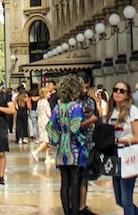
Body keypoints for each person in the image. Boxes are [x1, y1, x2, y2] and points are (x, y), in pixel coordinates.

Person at [47, 74, 88, 215]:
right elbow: (76, 127)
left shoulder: (58, 108)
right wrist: (83, 139)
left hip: (62, 150)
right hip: (75, 149)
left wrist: (57, 139)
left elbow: (50, 126)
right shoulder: (76, 107)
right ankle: (75, 212)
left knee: (64, 183)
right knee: (75, 182)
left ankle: (66, 212)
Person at [108, 81, 138, 215]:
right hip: (114, 155)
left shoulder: (132, 111)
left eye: (122, 91)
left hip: (128, 153)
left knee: (126, 198)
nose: (117, 93)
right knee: (119, 199)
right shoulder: (112, 111)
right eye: (115, 89)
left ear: (128, 95)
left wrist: (119, 140)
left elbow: (137, 138)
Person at [78, 79, 100, 215]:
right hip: (76, 142)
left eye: (87, 87)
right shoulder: (73, 102)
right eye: (82, 87)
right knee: (76, 176)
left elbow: (95, 117)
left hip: (90, 141)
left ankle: (82, 205)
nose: (85, 91)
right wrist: (89, 119)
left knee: (85, 174)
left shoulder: (91, 101)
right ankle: (76, 204)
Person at [31, 87, 54, 163]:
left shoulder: (39, 102)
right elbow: (48, 114)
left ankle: (47, 157)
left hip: (40, 121)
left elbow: (37, 112)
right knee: (47, 140)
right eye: (48, 92)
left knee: (44, 138)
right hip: (46, 122)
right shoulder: (46, 102)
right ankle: (36, 152)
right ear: (45, 94)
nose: (50, 94)